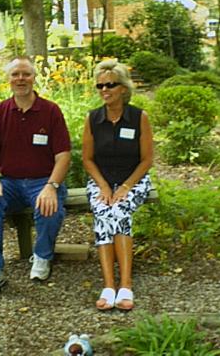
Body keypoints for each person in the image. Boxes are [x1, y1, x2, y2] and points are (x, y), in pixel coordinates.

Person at [0, 56, 71, 297]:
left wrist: (52, 186)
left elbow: (63, 156)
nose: (21, 79)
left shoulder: (50, 111)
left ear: (34, 77)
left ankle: (41, 256)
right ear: (8, 80)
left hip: (43, 180)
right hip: (9, 182)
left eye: (26, 74)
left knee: (50, 206)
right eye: (15, 74)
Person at [82, 59, 153, 311]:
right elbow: (87, 160)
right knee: (103, 211)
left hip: (134, 179)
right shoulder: (92, 119)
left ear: (123, 88)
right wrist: (103, 186)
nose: (104, 90)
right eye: (100, 85)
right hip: (101, 181)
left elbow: (147, 160)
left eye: (110, 84)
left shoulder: (138, 117)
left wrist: (124, 187)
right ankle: (109, 285)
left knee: (120, 210)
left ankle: (126, 284)